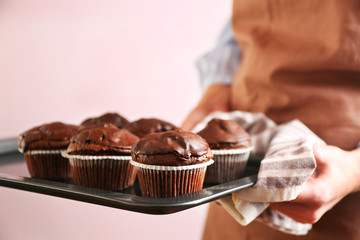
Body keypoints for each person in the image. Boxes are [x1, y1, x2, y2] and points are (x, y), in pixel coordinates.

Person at [182, 1, 360, 239]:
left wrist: (353, 170)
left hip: (340, 190)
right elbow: (242, 24)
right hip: (234, 186)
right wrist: (219, 83)